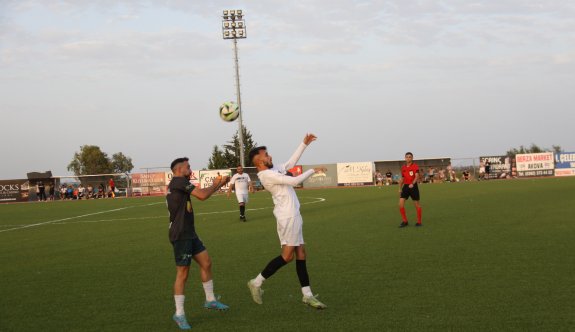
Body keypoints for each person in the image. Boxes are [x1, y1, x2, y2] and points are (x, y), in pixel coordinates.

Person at [246, 133, 328, 310]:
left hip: (293, 215)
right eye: (266, 155)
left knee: (301, 254)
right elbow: (295, 180)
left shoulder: (273, 169)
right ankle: (256, 282)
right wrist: (314, 170)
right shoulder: (266, 175)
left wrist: (303, 144)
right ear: (259, 161)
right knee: (287, 256)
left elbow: (289, 164)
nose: (270, 156)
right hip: (287, 217)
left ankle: (307, 295)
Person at [167, 157, 231, 330]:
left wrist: (220, 183)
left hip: (189, 233)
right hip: (181, 235)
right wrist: (218, 182)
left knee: (206, 262)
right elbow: (202, 195)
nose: (190, 169)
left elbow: (204, 193)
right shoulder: (178, 181)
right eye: (188, 167)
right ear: (180, 169)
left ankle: (210, 300)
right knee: (183, 273)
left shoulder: (181, 182)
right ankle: (179, 314)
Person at [398, 152, 423, 227]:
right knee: (400, 204)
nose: (408, 158)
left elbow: (417, 176)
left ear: (412, 158)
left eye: (409, 157)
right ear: (405, 158)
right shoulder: (403, 168)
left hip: (413, 187)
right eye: (407, 157)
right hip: (405, 187)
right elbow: (402, 178)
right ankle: (405, 221)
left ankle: (419, 222)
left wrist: (413, 183)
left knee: (417, 205)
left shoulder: (415, 166)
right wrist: (399, 188)